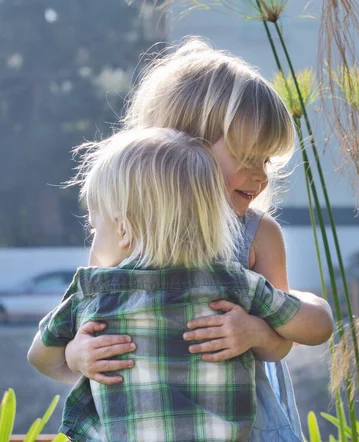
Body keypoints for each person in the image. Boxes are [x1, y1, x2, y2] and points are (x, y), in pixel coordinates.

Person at [44, 38, 332, 441]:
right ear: (184, 149)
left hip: (239, 420)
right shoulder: (127, 234)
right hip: (144, 420)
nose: (261, 176)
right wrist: (77, 356)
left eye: (265, 161)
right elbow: (78, 328)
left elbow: (284, 338)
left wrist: (253, 332)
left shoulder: (257, 234)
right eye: (247, 158)